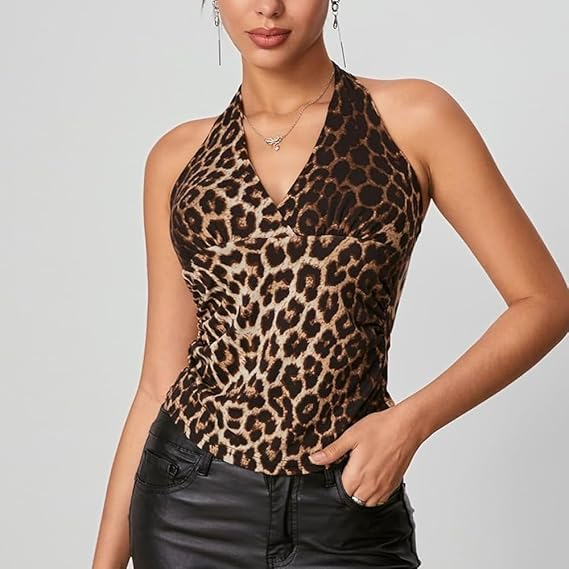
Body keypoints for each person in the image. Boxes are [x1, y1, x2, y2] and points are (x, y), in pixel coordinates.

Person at [91, 1, 569, 568]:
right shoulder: (178, 160)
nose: (268, 7)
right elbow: (158, 382)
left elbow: (544, 302)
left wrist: (409, 423)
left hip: (347, 506)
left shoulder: (413, 119)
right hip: (190, 501)